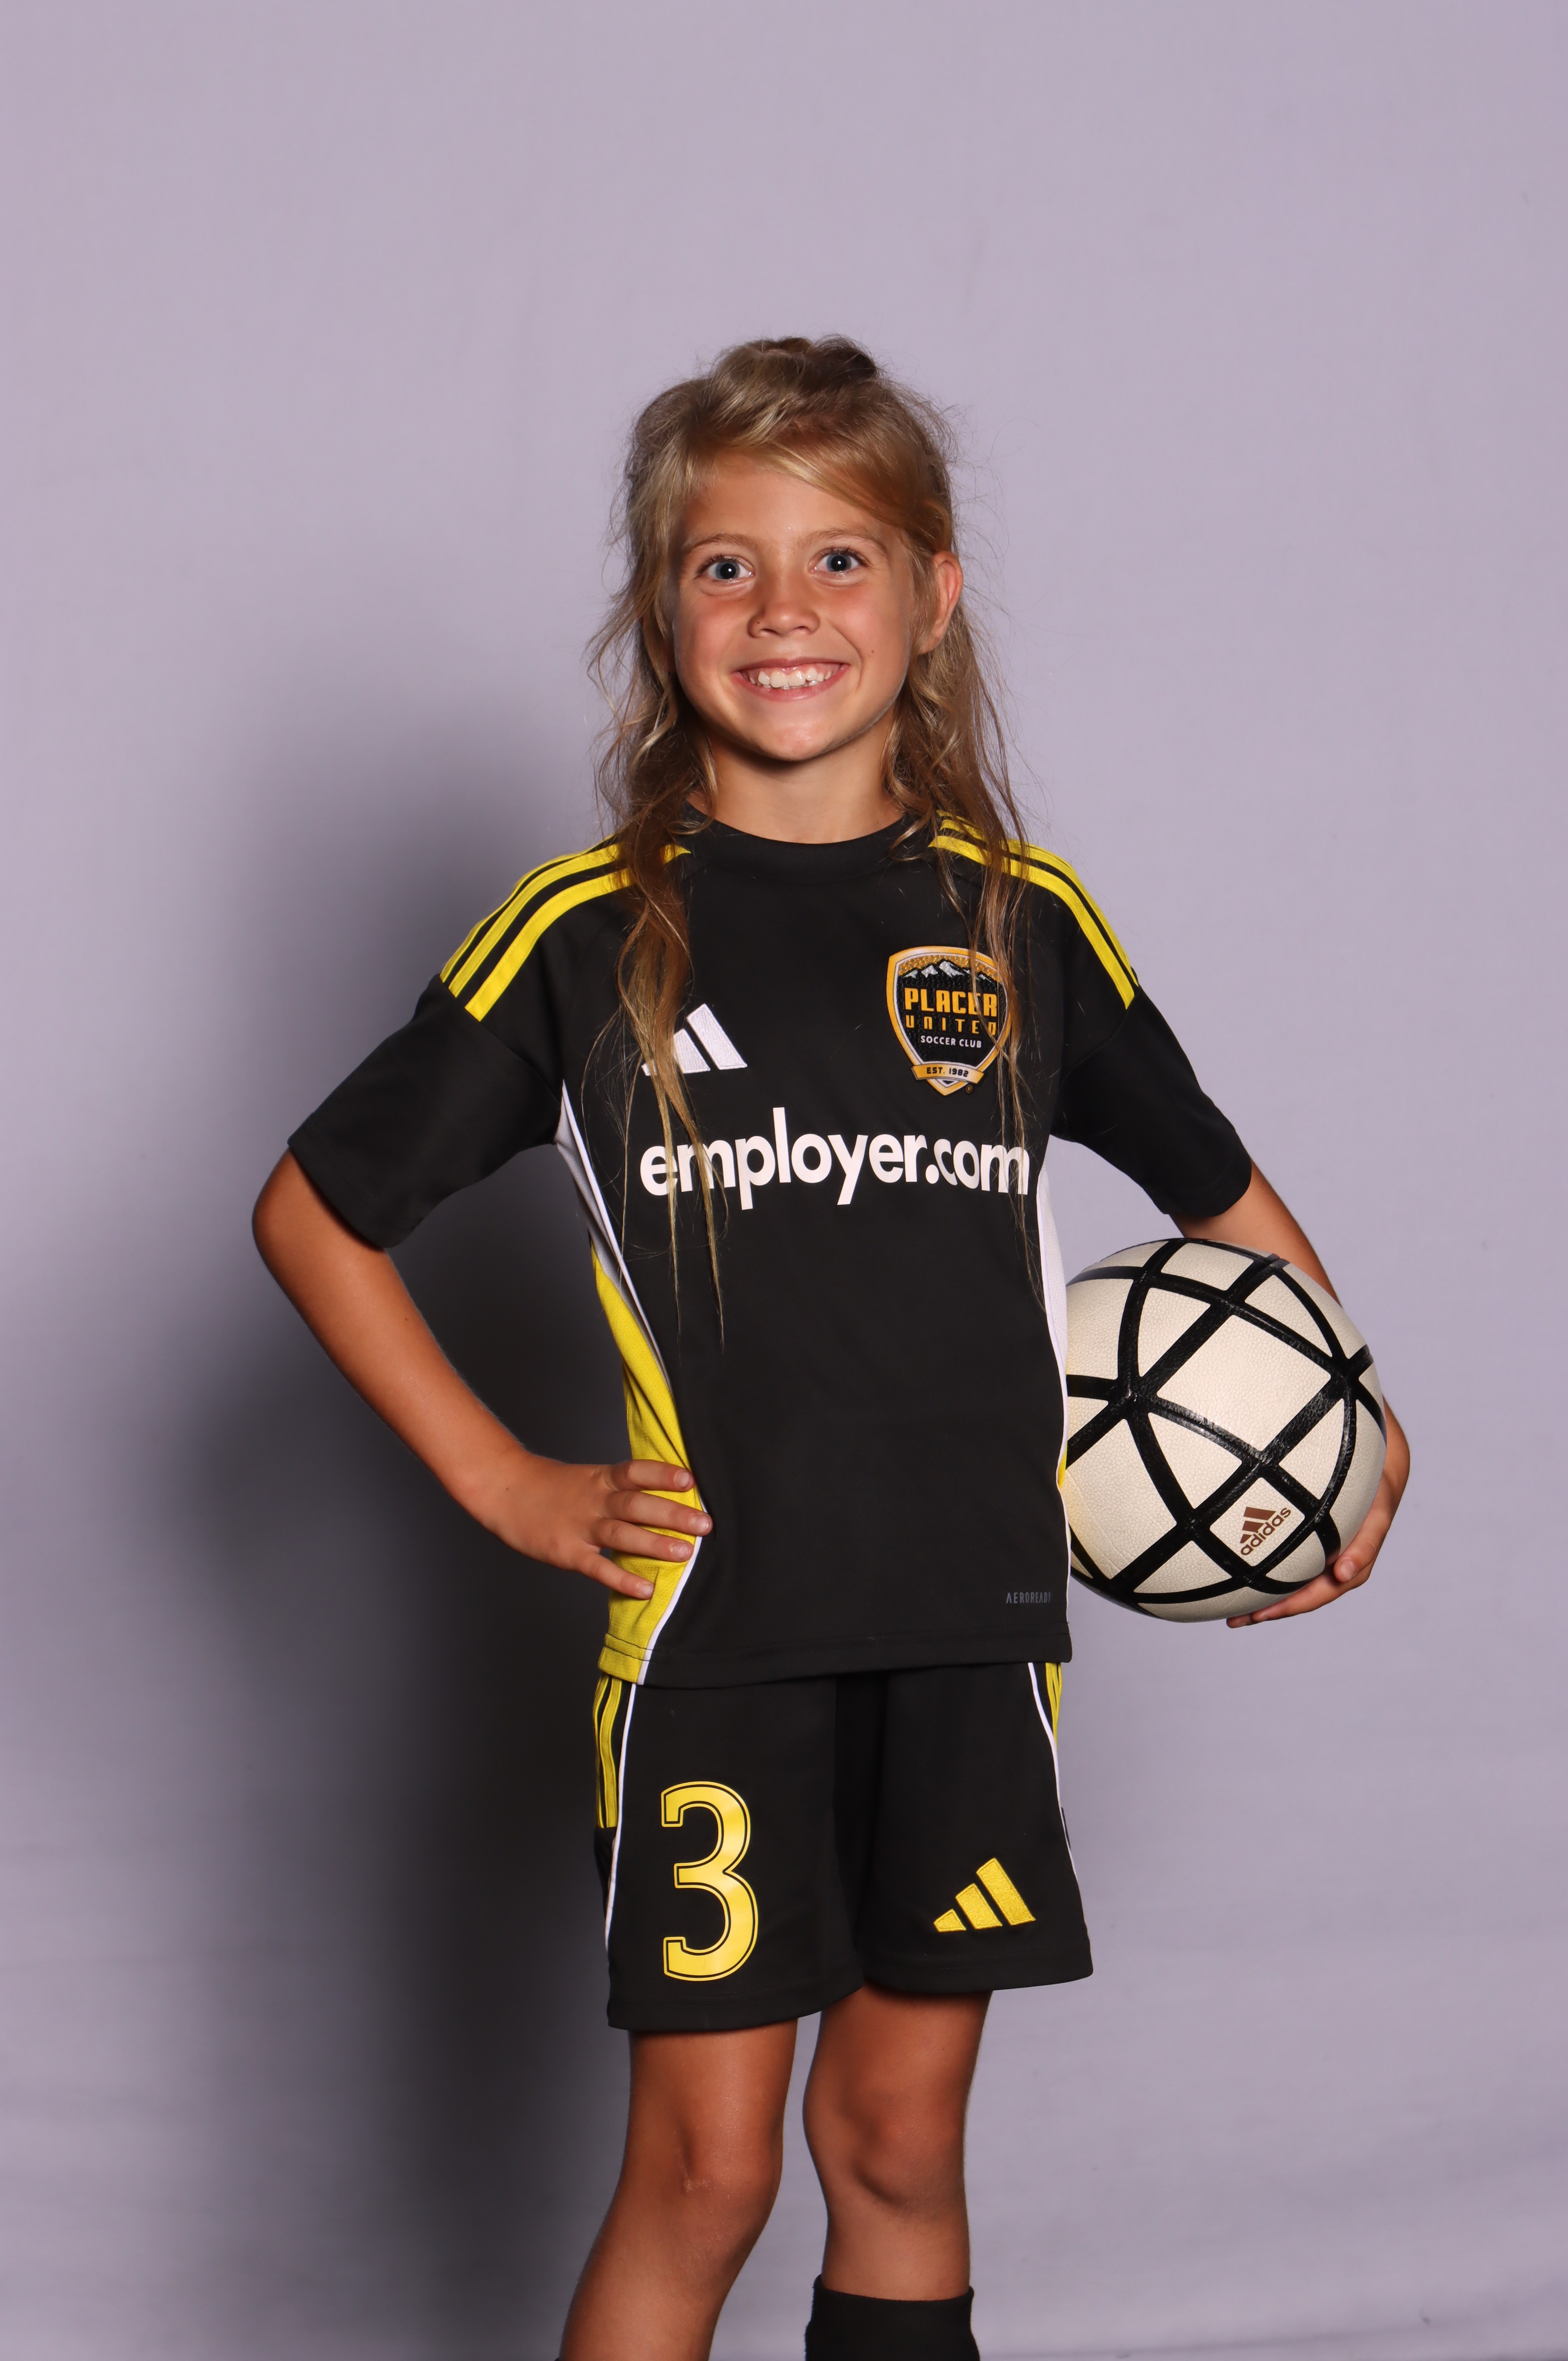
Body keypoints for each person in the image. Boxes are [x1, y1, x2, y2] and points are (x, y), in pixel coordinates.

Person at [253, 336, 1409, 2361]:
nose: (783, 609)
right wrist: (505, 1482)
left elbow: (1231, 1216)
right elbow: (314, 1210)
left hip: (973, 1626)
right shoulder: (584, 933)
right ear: (660, 608)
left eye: (841, 558)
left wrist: (1350, 1447)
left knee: (895, 2143)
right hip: (719, 1641)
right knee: (706, 2174)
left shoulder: (1022, 921)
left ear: (932, 596)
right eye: (726, 565)